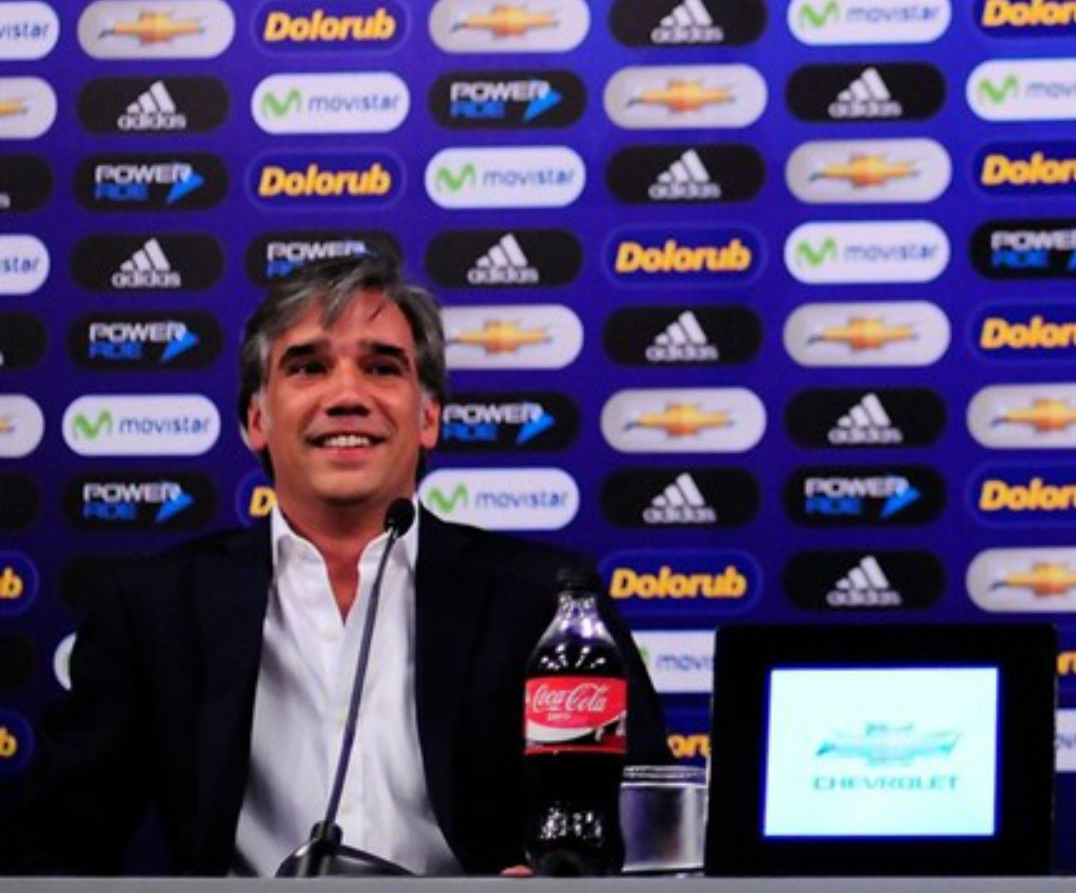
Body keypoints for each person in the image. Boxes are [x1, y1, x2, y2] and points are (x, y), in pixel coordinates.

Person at [0, 253, 672, 875]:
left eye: (383, 367)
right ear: (256, 419)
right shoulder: (155, 606)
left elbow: (647, 830)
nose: (347, 394)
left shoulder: (545, 599)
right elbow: (51, 846)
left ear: (429, 416)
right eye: (307, 367)